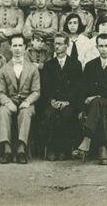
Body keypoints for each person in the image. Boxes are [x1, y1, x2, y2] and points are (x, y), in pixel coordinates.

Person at [75, 33, 107, 165]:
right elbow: (83, 89)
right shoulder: (90, 66)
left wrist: (98, 96)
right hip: (96, 105)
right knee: (100, 108)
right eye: (101, 46)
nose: (103, 49)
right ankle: (102, 149)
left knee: (98, 102)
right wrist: (89, 101)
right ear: (96, 47)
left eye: (106, 46)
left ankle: (87, 138)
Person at [0, 34, 41, 164]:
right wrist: (8, 102)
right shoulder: (4, 69)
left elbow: (36, 91)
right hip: (10, 100)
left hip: (27, 100)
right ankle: (7, 150)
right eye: (14, 45)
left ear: (25, 47)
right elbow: (0, 92)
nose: (17, 49)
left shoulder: (32, 68)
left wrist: (27, 102)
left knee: (26, 112)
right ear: (10, 47)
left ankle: (21, 150)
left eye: (20, 45)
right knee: (2, 112)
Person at [41, 32, 83, 161]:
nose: (57, 47)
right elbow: (46, 86)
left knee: (68, 115)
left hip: (69, 102)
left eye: (60, 44)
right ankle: (52, 149)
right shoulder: (49, 65)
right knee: (49, 115)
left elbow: (77, 87)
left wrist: (67, 101)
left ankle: (65, 150)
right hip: (53, 102)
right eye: (55, 44)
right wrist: (52, 100)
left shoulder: (75, 64)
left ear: (67, 45)